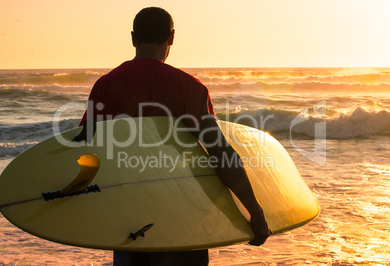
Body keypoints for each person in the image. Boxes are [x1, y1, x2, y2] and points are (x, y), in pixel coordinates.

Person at [79, 7, 271, 266]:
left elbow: (86, 150)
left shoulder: (105, 85)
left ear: (133, 38)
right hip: (183, 214)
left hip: (127, 217)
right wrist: (254, 210)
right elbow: (220, 153)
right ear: (171, 38)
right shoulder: (189, 87)